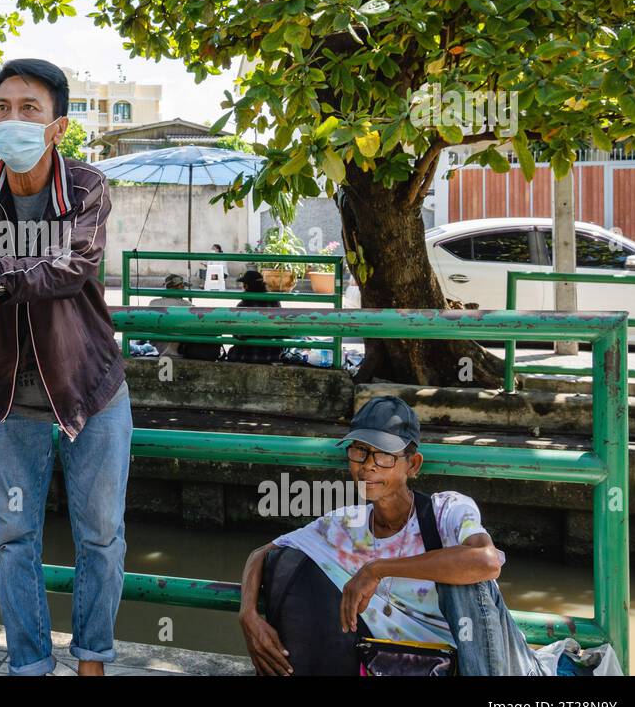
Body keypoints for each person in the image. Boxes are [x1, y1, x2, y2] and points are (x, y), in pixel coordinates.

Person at [0, 58, 131, 677]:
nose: (14, 120)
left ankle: (92, 659)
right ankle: (28, 665)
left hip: (90, 387)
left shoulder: (86, 188)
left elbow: (72, 265)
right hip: (9, 395)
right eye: (2, 107)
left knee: (100, 535)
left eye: (31, 109)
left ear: (58, 126)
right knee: (12, 537)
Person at [237, 396, 542, 676]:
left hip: (485, 663)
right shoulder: (343, 525)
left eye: (384, 455)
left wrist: (377, 570)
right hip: (408, 666)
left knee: (465, 574)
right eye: (360, 452)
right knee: (291, 561)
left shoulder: (447, 510)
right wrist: (248, 615)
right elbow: (263, 553)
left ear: (413, 465)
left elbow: (487, 562)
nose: (369, 465)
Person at [223, 269, 285, 363]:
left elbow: (237, 334)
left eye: (244, 285)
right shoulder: (275, 302)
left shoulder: (242, 305)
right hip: (271, 355)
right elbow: (280, 328)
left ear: (247, 286)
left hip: (246, 356)